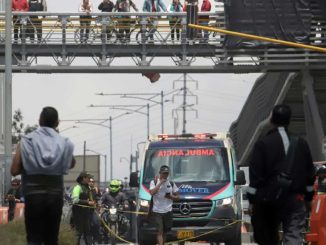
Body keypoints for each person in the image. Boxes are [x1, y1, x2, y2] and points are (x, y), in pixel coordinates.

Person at [247, 104, 316, 245]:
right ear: (289, 120)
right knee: (294, 234)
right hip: (295, 199)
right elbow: (310, 175)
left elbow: (255, 179)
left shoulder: (262, 144)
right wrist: (308, 198)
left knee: (267, 237)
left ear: (271, 120)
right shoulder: (301, 144)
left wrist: (252, 201)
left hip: (268, 201)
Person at [11, 106, 75, 245]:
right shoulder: (64, 142)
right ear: (57, 123)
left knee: (34, 239)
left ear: (39, 121)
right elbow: (71, 163)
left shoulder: (26, 141)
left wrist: (30, 164)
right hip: (55, 197)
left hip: (34, 197)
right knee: (52, 240)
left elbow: (14, 169)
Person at [149, 165, 179, 245]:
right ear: (160, 173)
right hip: (157, 211)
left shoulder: (171, 183)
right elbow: (152, 192)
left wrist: (171, 197)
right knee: (159, 231)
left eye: (166, 173)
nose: (165, 175)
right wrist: (160, 183)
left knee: (165, 232)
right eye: (163, 173)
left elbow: (178, 197)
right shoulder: (154, 182)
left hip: (168, 211)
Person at [71, 172, 96, 245]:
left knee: (88, 233)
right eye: (88, 178)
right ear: (83, 178)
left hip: (86, 214)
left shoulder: (88, 188)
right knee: (78, 233)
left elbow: (91, 200)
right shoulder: (77, 187)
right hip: (78, 215)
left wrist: (93, 204)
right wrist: (87, 202)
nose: (89, 179)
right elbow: (74, 200)